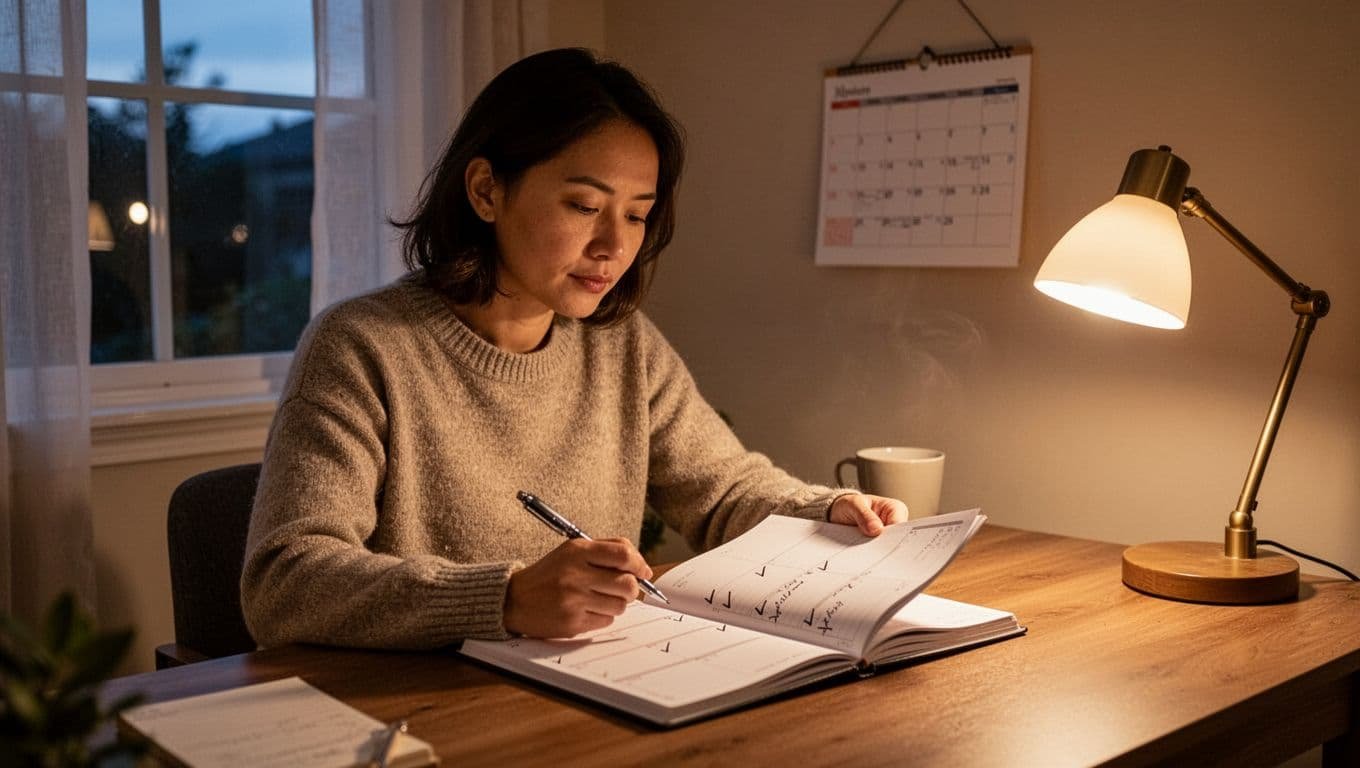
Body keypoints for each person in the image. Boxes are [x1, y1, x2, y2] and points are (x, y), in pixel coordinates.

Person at [240, 47, 905, 650]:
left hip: (584, 702)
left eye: (638, 214)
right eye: (586, 205)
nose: (615, 245)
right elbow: (284, 581)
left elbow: (724, 491)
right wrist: (503, 598)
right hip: (421, 715)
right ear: (485, 190)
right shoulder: (363, 347)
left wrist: (823, 513)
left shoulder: (622, 347)